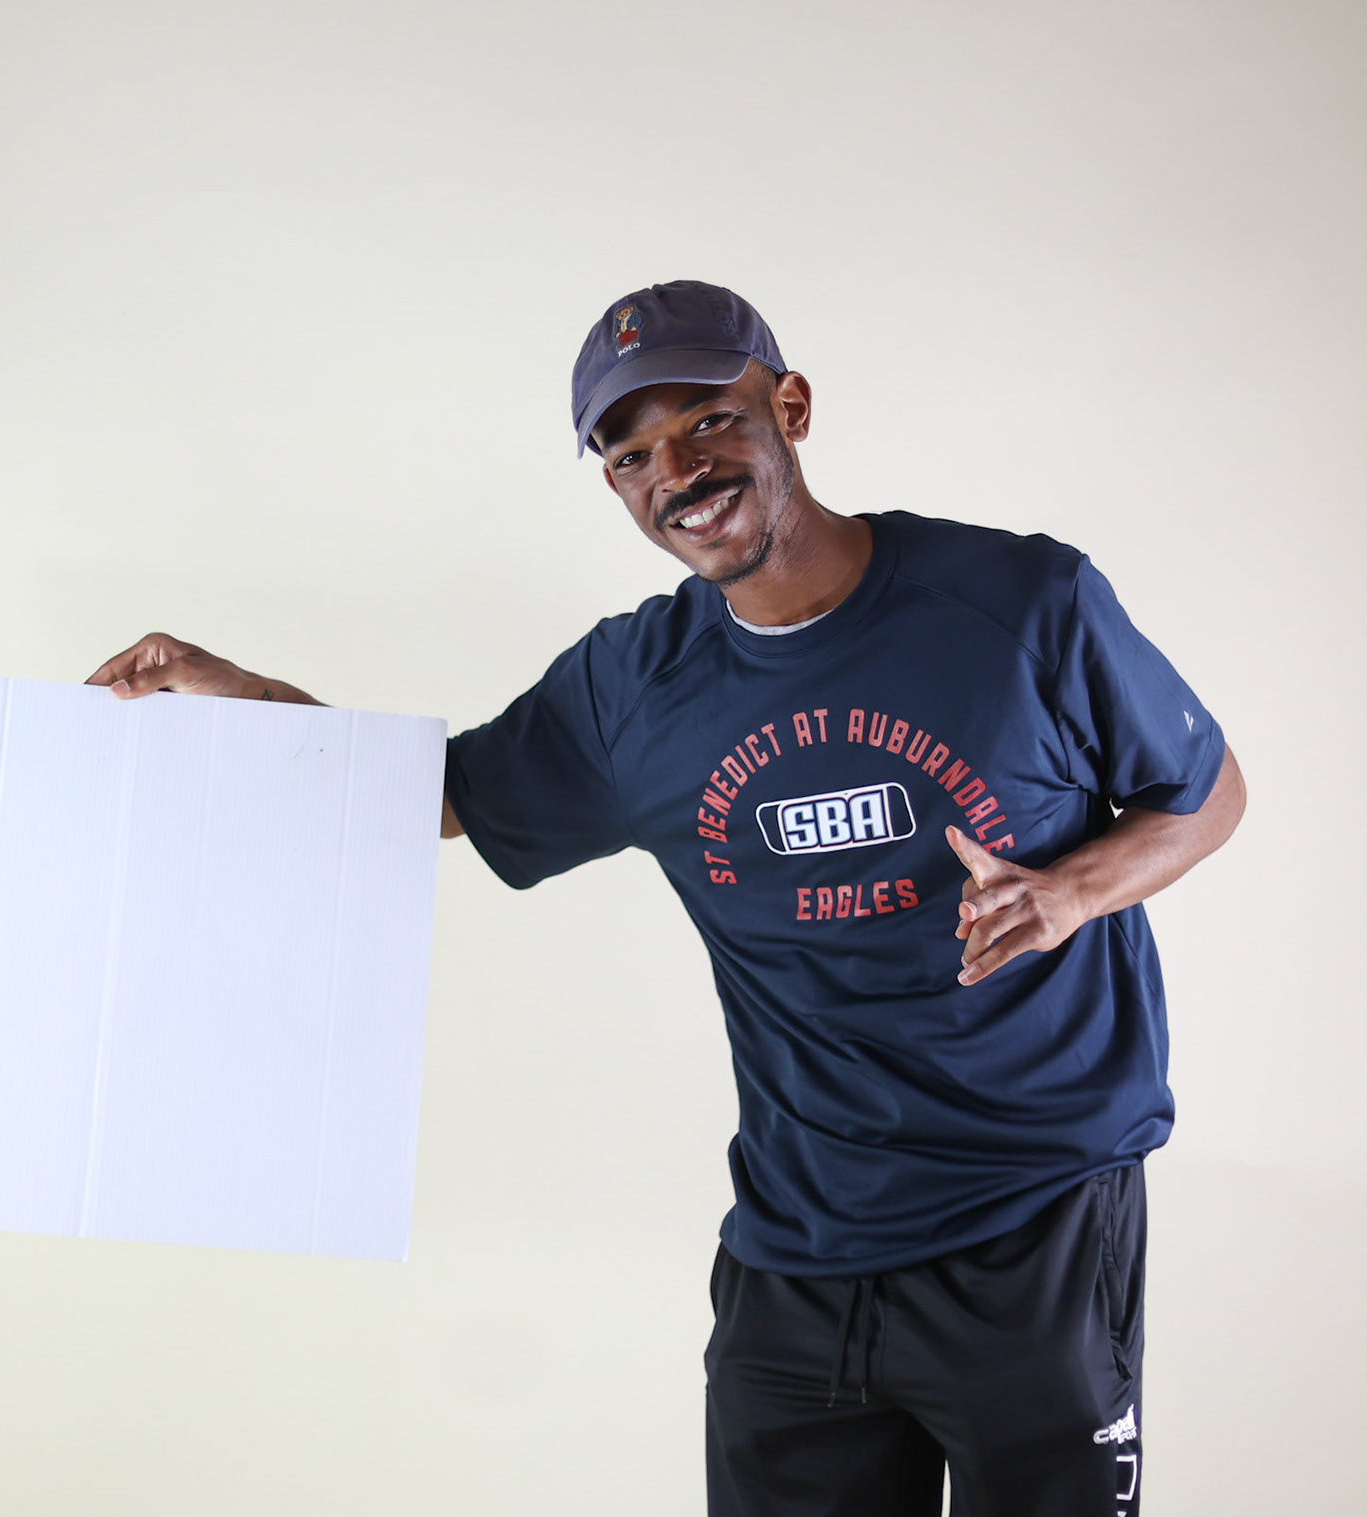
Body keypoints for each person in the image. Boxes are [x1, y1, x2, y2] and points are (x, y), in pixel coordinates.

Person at [87, 279, 1244, 1517]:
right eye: (632, 451)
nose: (676, 470)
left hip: (1036, 1221)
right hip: (795, 1255)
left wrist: (1070, 893)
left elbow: (1207, 787)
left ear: (788, 407)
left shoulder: (1020, 603)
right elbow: (436, 793)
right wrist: (246, 698)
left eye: (706, 421)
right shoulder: (633, 689)